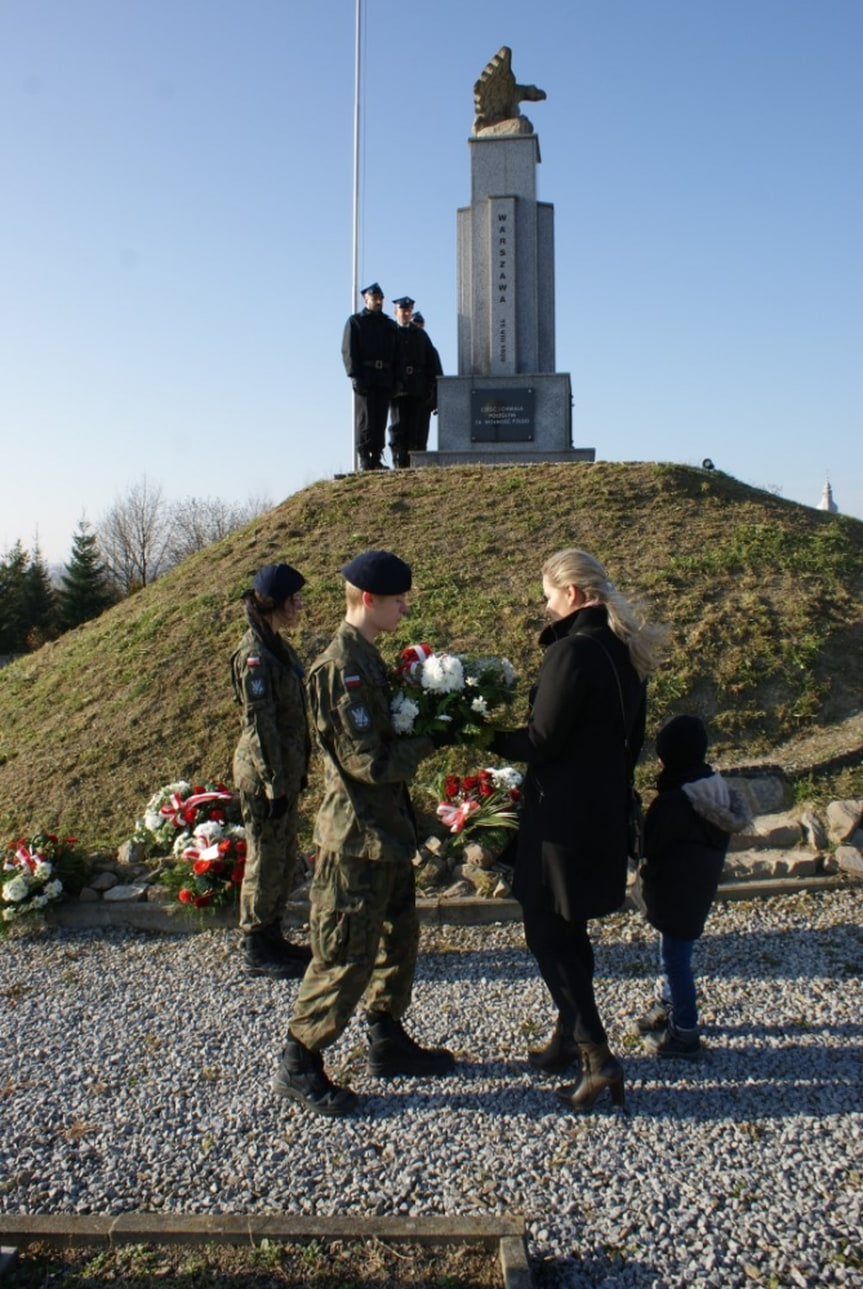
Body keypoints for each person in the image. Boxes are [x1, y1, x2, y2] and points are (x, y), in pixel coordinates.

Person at [272, 550, 455, 1116]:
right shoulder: (340, 669)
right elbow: (368, 763)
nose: (405, 606)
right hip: (355, 839)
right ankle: (300, 1059)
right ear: (369, 600)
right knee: (345, 951)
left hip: (387, 832)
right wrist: (434, 736)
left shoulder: (370, 659)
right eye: (398, 599)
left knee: (399, 938)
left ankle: (386, 1037)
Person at [492, 549, 666, 1113]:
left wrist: (482, 734)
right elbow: (630, 741)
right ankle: (569, 1038)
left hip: (560, 821)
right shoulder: (625, 650)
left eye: (548, 594)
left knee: (547, 934)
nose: (544, 606)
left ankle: (597, 1055)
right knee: (571, 930)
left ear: (573, 593)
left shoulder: (571, 652)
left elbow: (542, 742)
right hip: (601, 813)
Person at [634, 715, 750, 1058]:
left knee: (675, 961)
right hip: (697, 890)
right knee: (676, 954)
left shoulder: (675, 803)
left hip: (675, 895)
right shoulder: (713, 788)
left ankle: (685, 1031)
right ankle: (669, 1003)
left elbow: (648, 844)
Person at [231, 563, 313, 978]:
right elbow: (259, 726)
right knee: (264, 858)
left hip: (282, 772)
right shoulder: (254, 655)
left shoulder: (277, 645)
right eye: (294, 600)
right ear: (276, 604)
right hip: (264, 777)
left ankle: (273, 936)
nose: (300, 606)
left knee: (281, 856)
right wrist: (273, 784)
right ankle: (256, 947)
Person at [342, 283, 398, 471]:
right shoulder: (356, 322)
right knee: (366, 419)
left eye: (380, 298)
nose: (378, 301)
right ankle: (365, 457)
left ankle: (376, 456)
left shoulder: (389, 325)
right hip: (366, 376)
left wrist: (396, 380)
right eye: (374, 298)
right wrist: (354, 375)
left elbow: (397, 354)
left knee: (380, 420)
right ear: (366, 299)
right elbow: (349, 351)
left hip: (384, 378)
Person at [388, 297, 442, 467]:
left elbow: (433, 364)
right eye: (403, 311)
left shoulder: (420, 335)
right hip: (398, 389)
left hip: (418, 389)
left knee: (417, 430)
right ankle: (400, 463)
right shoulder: (390, 334)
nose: (406, 313)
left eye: (408, 310)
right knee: (398, 429)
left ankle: (416, 463)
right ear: (396, 312)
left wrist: (435, 392)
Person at [409, 310, 443, 455]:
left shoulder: (430, 348)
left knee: (422, 431)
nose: (418, 326)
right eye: (415, 323)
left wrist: (436, 398)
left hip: (424, 394)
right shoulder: (401, 342)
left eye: (420, 324)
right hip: (407, 393)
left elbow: (437, 374)